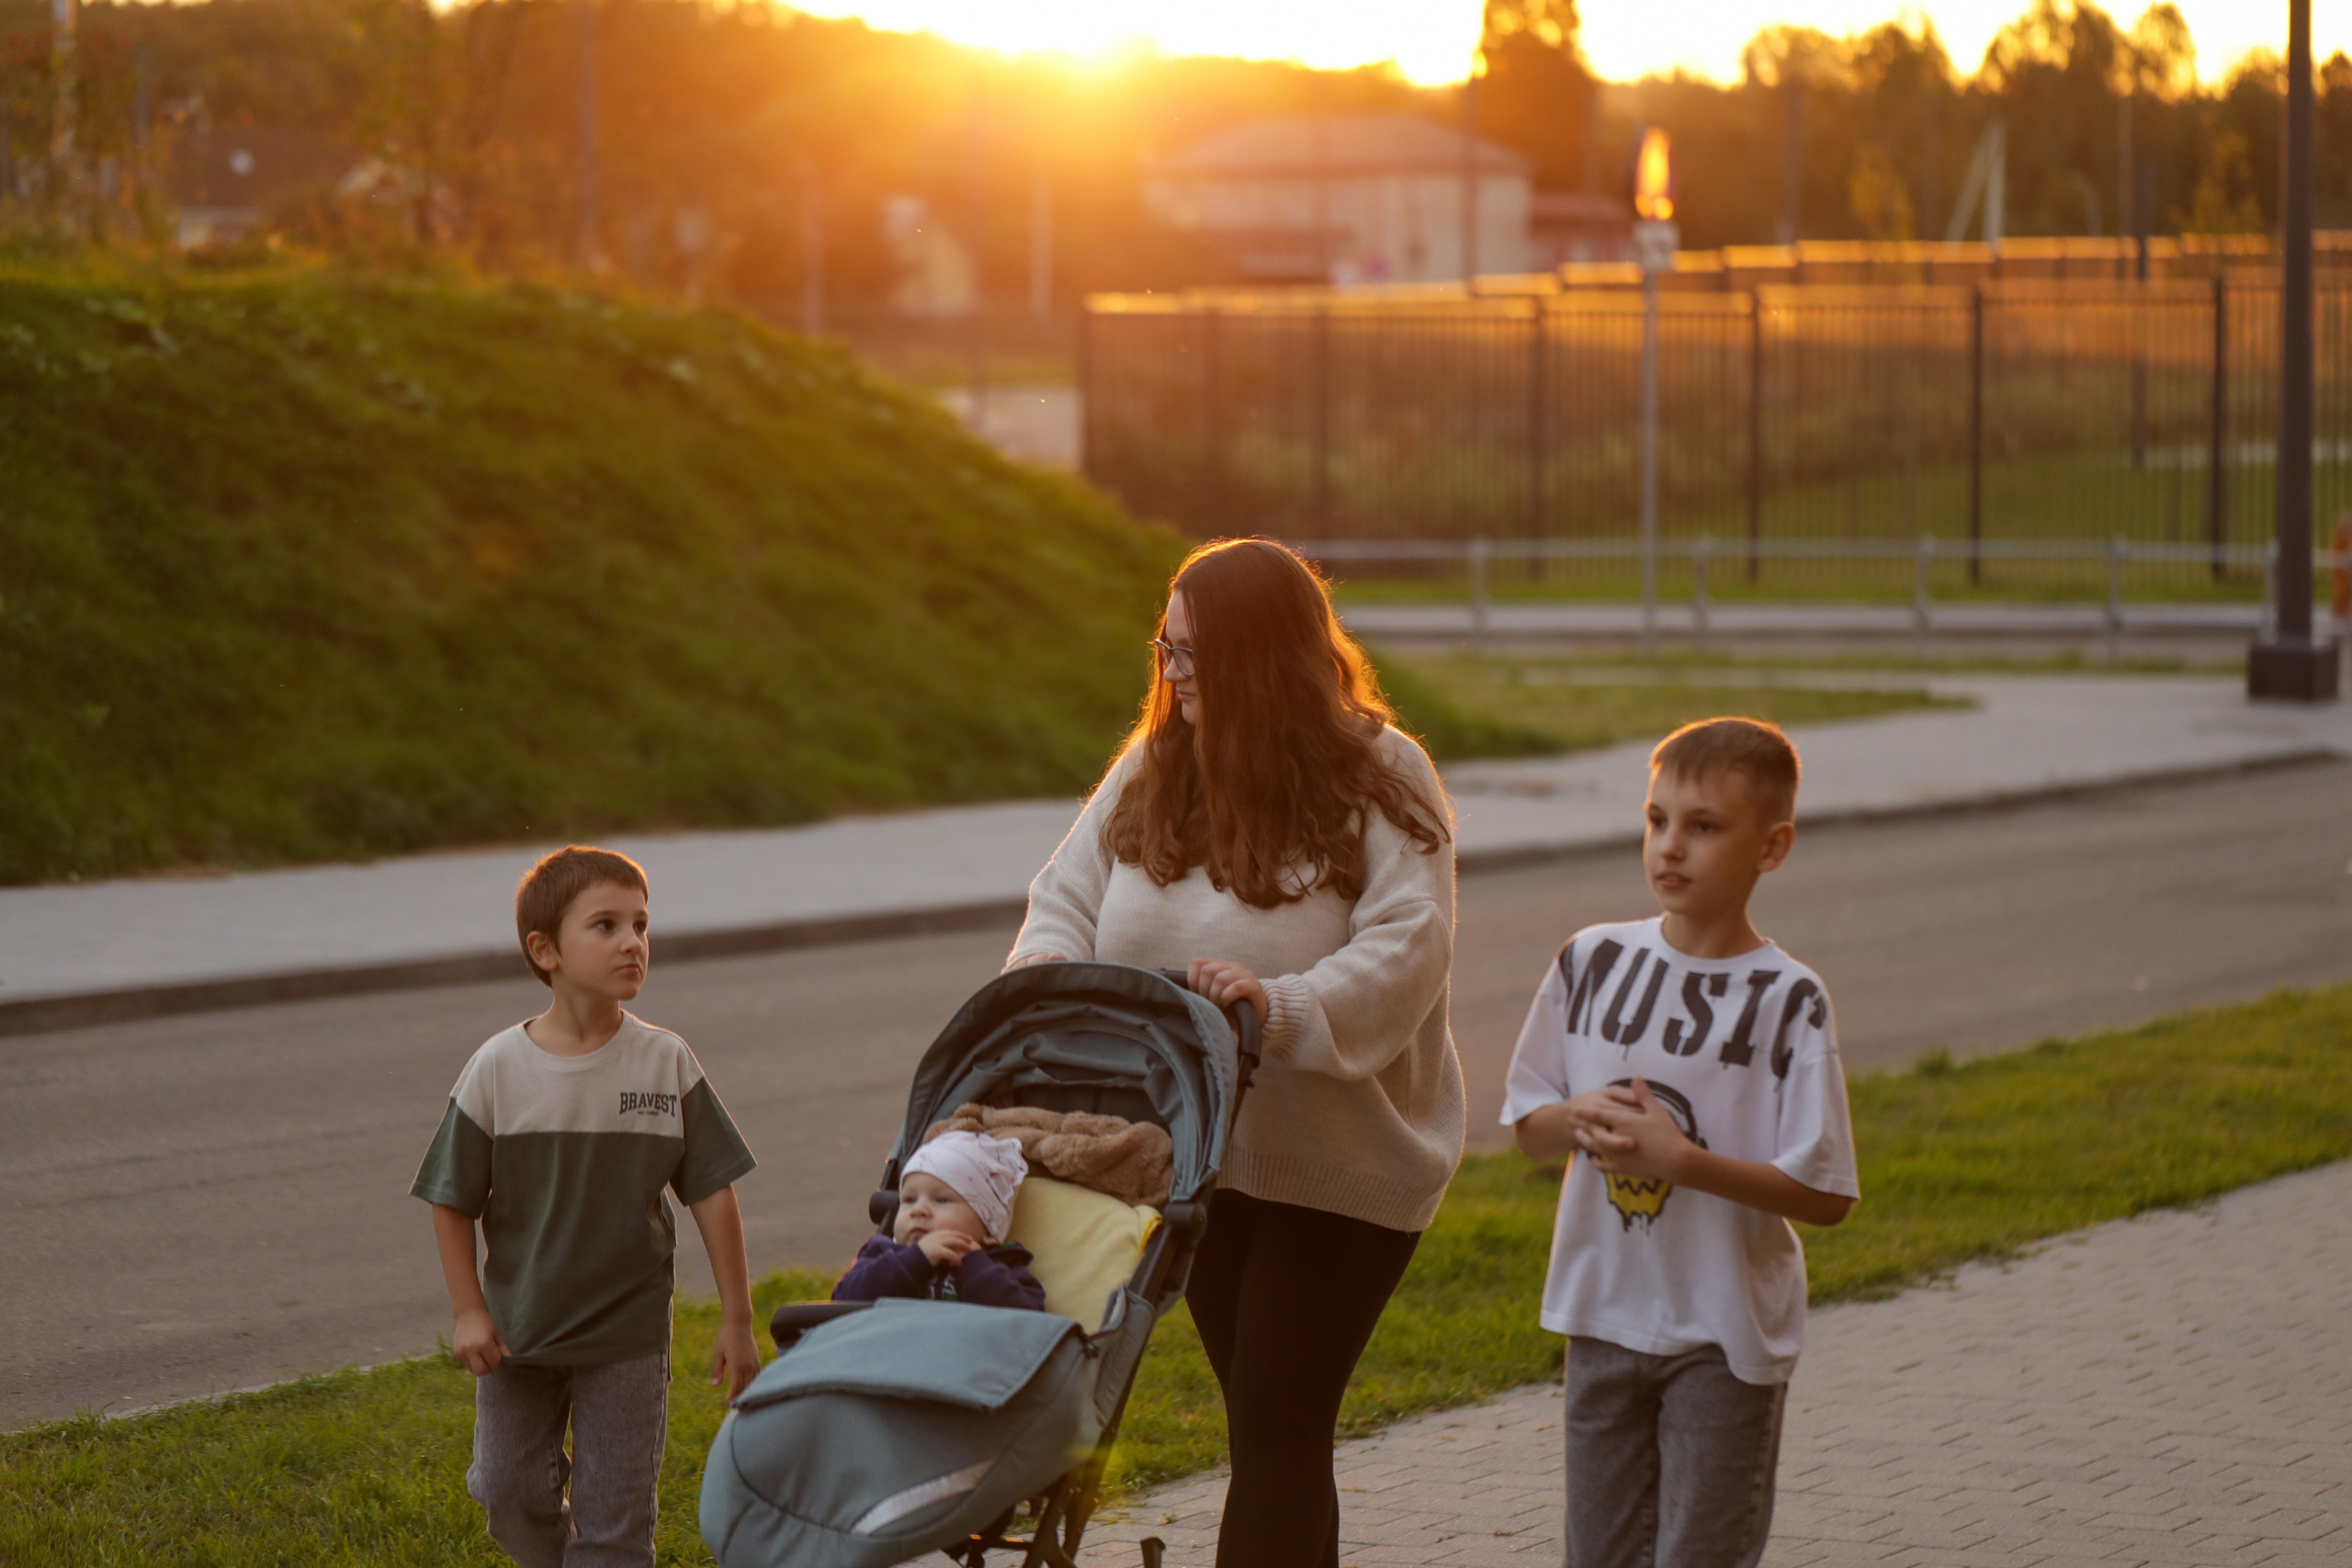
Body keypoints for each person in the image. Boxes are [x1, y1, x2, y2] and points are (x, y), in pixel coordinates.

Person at [1006, 536, 1462, 1568]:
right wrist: (1045, 987)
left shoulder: (1380, 772)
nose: (1173, 674)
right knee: (1268, 1427)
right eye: (1165, 650)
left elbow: (1409, 946)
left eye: (1196, 655)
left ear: (1264, 655)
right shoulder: (1155, 766)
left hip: (1340, 1162)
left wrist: (1284, 1005)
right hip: (1196, 1157)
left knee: (1275, 1423)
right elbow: (1060, 904)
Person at [1500, 718, 1860, 1568]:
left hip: (1720, 1336)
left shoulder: (1789, 999)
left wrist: (1680, 1162)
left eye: (1704, 826)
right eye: (1657, 819)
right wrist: (1578, 1116)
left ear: (1772, 847)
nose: (1671, 846)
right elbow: (1527, 1129)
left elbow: (1827, 1194)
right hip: (1601, 1315)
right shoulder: (1589, 960)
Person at [412, 846, 761, 1568]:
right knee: (505, 1488)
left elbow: (712, 1192)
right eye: (606, 924)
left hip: (626, 1341)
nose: (633, 941)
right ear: (546, 950)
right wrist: (468, 1309)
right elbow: (450, 1196)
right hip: (519, 1333)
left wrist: (737, 1317)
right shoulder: (498, 1069)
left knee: (616, 1525)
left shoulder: (666, 1062)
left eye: (640, 923)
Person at [832, 1129, 1046, 1310]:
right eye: (909, 1199)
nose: (919, 1211)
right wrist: (915, 1260)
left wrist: (973, 1265)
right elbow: (842, 1301)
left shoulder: (1003, 1268)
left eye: (942, 1200)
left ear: (989, 1231)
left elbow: (1028, 1324)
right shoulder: (883, 1255)